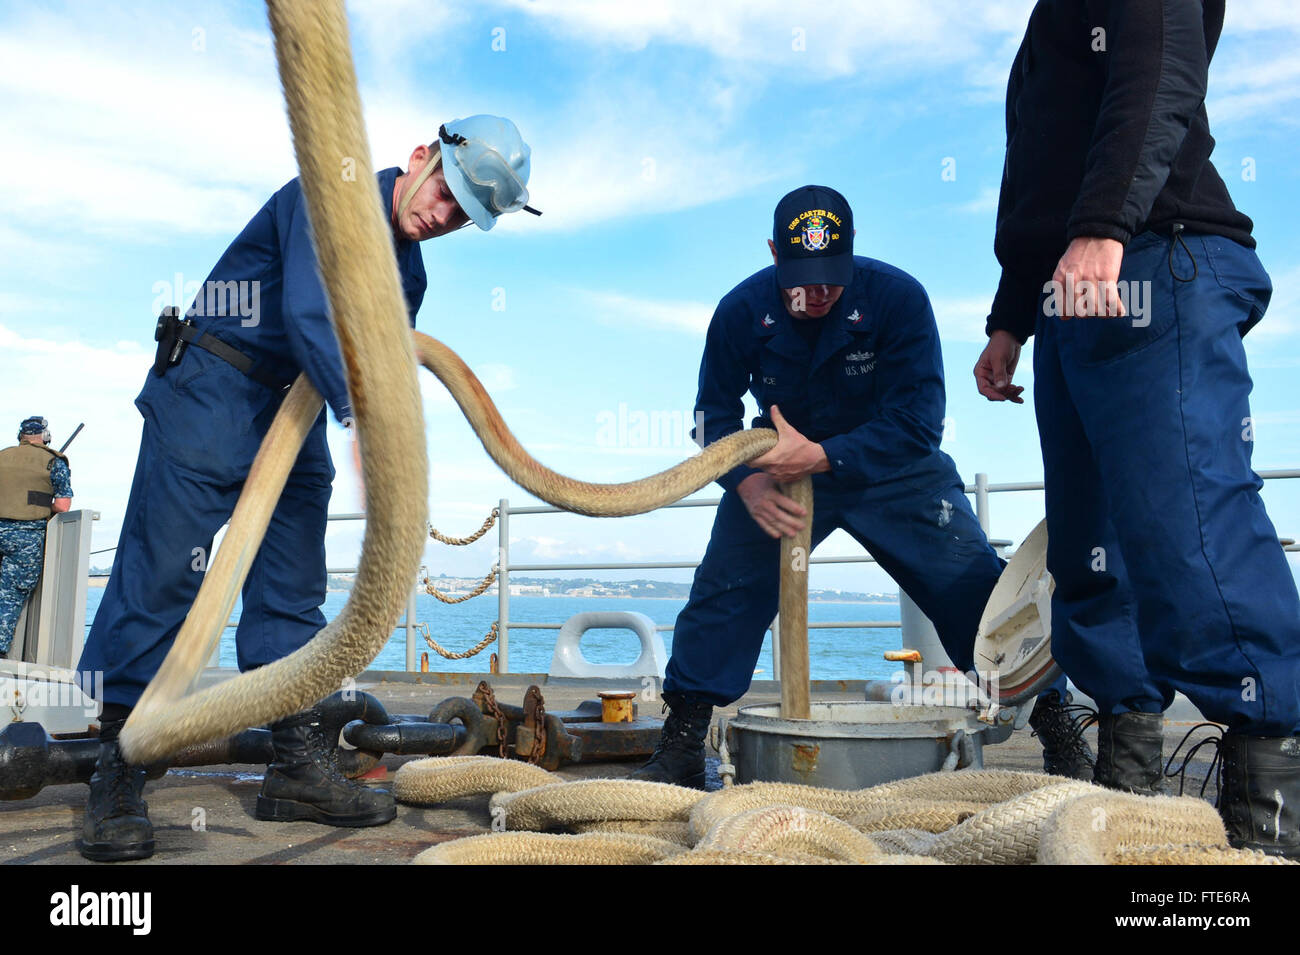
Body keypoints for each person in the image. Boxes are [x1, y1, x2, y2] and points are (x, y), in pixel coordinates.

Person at [76, 115, 538, 862]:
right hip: (214, 388)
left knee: (292, 585)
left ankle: (293, 761)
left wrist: (377, 425)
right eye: (446, 193)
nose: (441, 215)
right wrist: (364, 416)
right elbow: (308, 313)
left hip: (296, 410)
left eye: (461, 214)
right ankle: (118, 766)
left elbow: (388, 365)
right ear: (422, 156)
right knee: (162, 574)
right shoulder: (333, 195)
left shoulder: (409, 271)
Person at [974, 1, 1300, 857]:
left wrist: (1103, 227)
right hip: (1069, 294)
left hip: (1156, 255)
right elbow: (1033, 173)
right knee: (1090, 548)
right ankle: (1130, 767)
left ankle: (1271, 804)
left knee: (1188, 520)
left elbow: (1159, 74)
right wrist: (1011, 318)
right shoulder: (1045, 29)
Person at [632, 185, 1090, 789]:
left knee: (975, 588)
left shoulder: (900, 298)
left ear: (852, 258)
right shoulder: (739, 310)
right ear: (773, 253)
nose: (817, 292)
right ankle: (685, 739)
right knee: (725, 588)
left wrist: (822, 455)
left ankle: (1059, 727)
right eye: (802, 277)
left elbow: (921, 421)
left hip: (893, 467)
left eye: (831, 277)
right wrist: (744, 483)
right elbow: (712, 419)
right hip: (774, 471)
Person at [0, 417, 74, 656]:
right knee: (10, 595)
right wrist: (42, 503)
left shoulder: (2, 456)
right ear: (45, 437)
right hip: (25, 538)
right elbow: (63, 506)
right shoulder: (54, 461)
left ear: (20, 436)